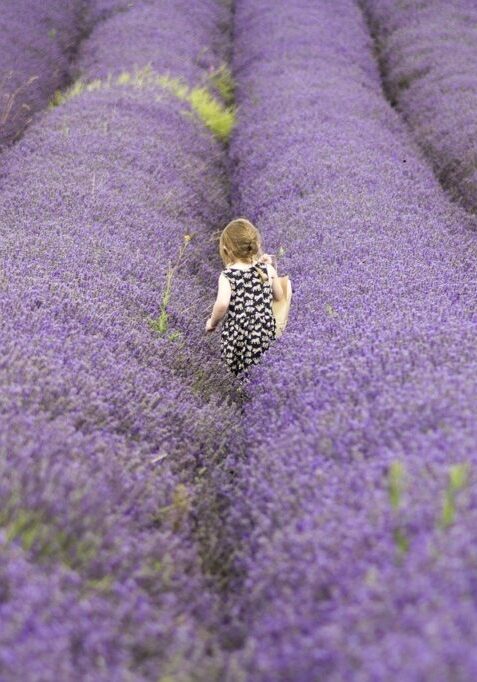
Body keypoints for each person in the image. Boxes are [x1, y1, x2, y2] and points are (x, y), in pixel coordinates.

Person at [205, 217, 284, 376]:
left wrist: (212, 323)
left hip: (239, 334)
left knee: (238, 372)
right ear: (256, 245)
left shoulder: (228, 275)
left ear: (226, 250)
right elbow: (279, 296)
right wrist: (272, 268)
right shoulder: (267, 270)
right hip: (265, 331)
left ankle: (240, 390)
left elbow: (221, 304)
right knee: (263, 370)